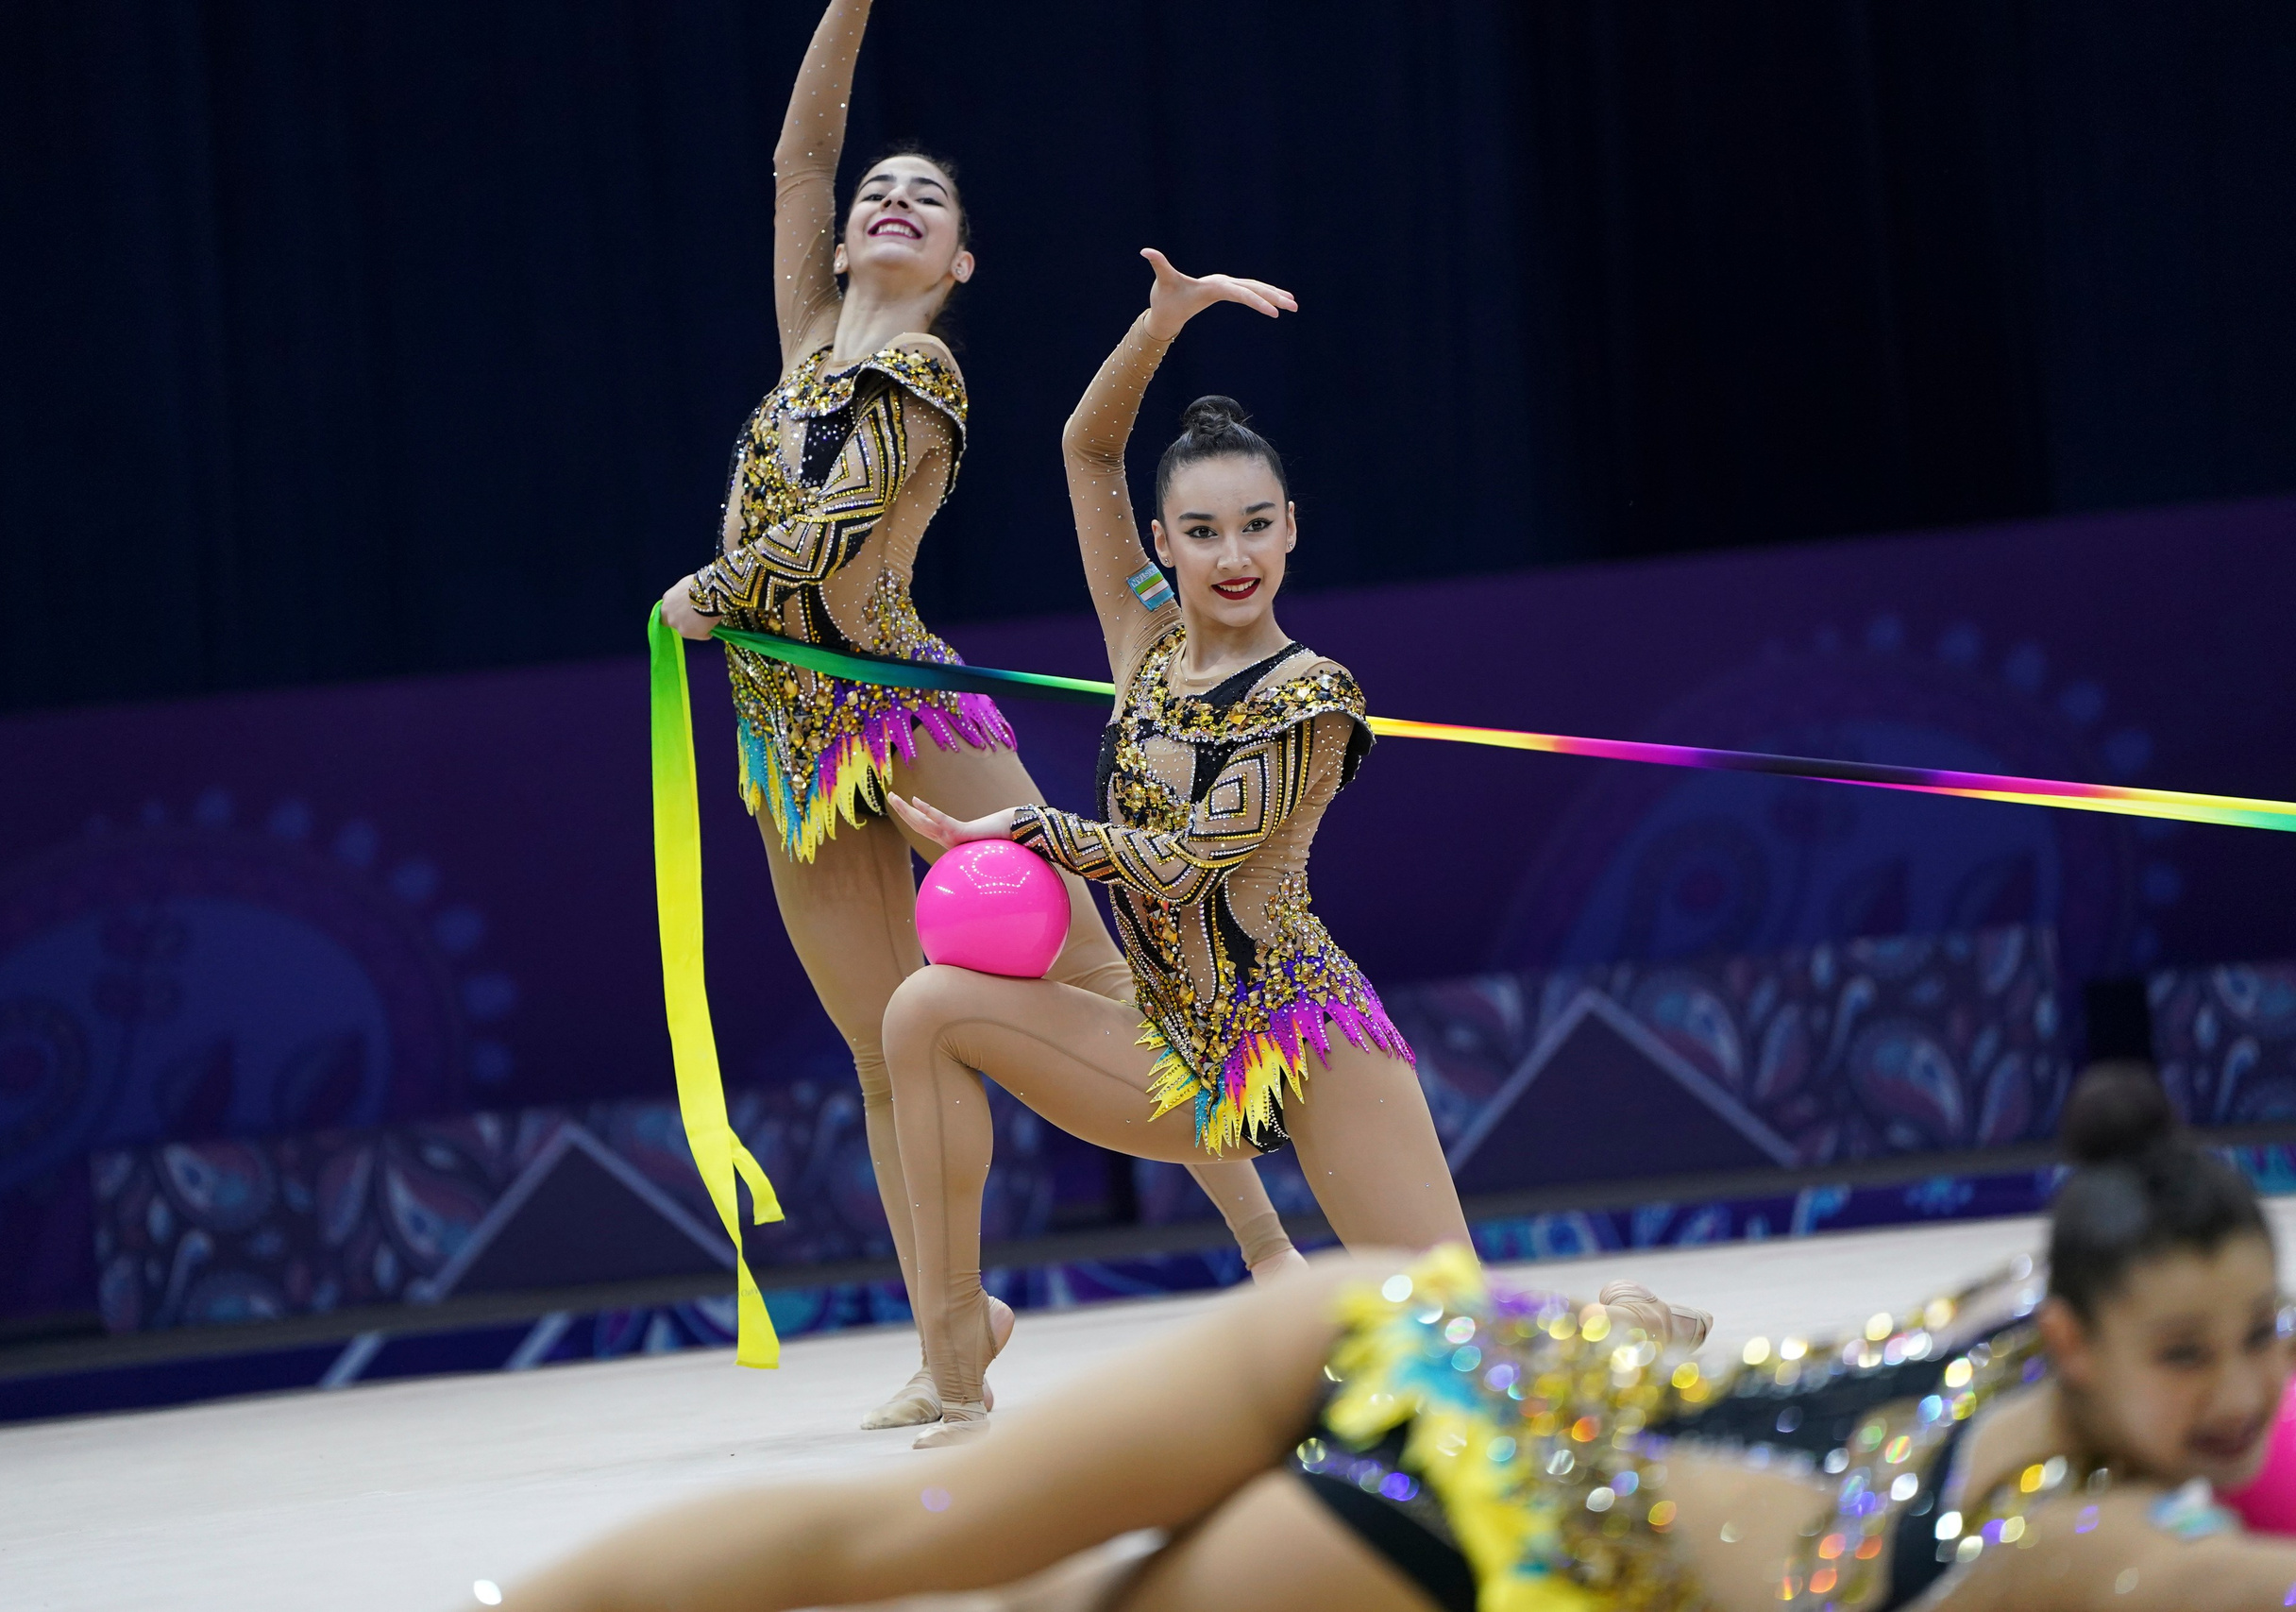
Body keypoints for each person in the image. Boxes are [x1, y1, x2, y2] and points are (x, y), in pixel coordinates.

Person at [486, 1063, 2296, 1611]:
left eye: (2262, 1345)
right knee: (912, 1541)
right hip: (1488, 1494)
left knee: (976, 1564)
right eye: (2191, 1352)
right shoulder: (2115, 1551)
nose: (2233, 1397)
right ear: (2071, 1327)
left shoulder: (2051, 1362)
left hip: (1430, 1353)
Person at [652, 0, 1298, 1431]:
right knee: (889, 1048)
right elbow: (798, 155)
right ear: (836, 247)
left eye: (926, 201)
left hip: (903, 713)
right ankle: (953, 1339)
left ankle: (1270, 1252)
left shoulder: (921, 371)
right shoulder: (806, 338)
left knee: (1100, 979)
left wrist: (721, 583)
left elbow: (833, 536)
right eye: (878, 193)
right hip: (788, 752)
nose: (890, 201)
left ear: (957, 263)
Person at [873, 249, 1502, 1447]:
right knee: (924, 1010)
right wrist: (1162, 323)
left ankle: (1630, 1323)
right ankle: (955, 1365)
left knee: (1462, 1354)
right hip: (1172, 1052)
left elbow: (1190, 863)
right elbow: (1086, 451)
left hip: (1300, 1034)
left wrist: (1034, 832)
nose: (1232, 555)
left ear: (1291, 528)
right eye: (1203, 531)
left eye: (1256, 525)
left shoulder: (1314, 694)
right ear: (1162, 541)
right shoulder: (1145, 643)